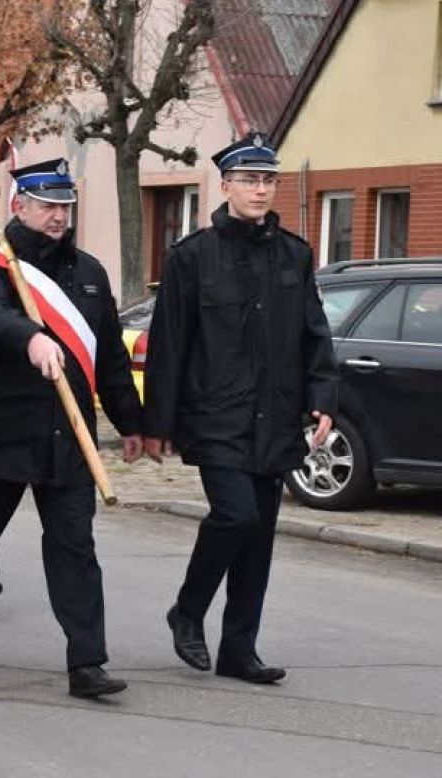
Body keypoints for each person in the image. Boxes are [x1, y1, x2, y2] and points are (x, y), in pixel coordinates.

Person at [0, 158, 143, 699]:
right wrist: (29, 336)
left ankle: (87, 662)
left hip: (66, 437)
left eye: (64, 206)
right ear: (18, 206)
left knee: (75, 546)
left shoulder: (91, 273)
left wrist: (132, 423)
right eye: (47, 205)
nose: (57, 216)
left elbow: (109, 359)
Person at [144, 133, 338, 685]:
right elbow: (169, 345)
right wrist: (157, 424)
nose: (259, 189)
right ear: (225, 186)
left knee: (257, 539)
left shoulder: (294, 255)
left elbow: (313, 335)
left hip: (275, 417)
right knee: (236, 514)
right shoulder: (191, 257)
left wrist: (323, 397)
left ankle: (238, 649)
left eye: (267, 180)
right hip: (215, 416)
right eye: (249, 180)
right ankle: (188, 610)